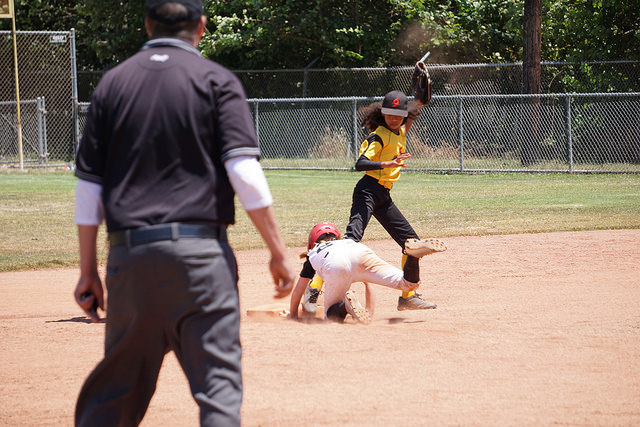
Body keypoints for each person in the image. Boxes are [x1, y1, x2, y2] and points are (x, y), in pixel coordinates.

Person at [72, 1, 295, 425]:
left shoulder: (112, 84)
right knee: (219, 395)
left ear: (147, 24)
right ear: (202, 27)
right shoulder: (216, 80)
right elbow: (243, 173)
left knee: (113, 398)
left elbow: (89, 188)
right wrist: (278, 251)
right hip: (202, 259)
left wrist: (88, 270)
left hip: (131, 259)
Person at [304, 90, 441, 312]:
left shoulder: (401, 131)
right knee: (350, 241)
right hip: (367, 191)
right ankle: (314, 288)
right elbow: (360, 163)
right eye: (389, 114)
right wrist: (386, 164)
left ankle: (408, 297)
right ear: (382, 114)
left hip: (383, 196)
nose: (394, 119)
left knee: (412, 244)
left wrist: (420, 95)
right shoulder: (378, 136)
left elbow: (413, 114)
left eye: (398, 115)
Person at [290, 222, 446, 323]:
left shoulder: (314, 254)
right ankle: (412, 256)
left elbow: (298, 292)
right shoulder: (344, 241)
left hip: (334, 262)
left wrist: (292, 316)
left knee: (331, 317)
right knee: (408, 285)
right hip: (358, 250)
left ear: (313, 241)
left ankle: (345, 306)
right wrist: (369, 310)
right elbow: (368, 281)